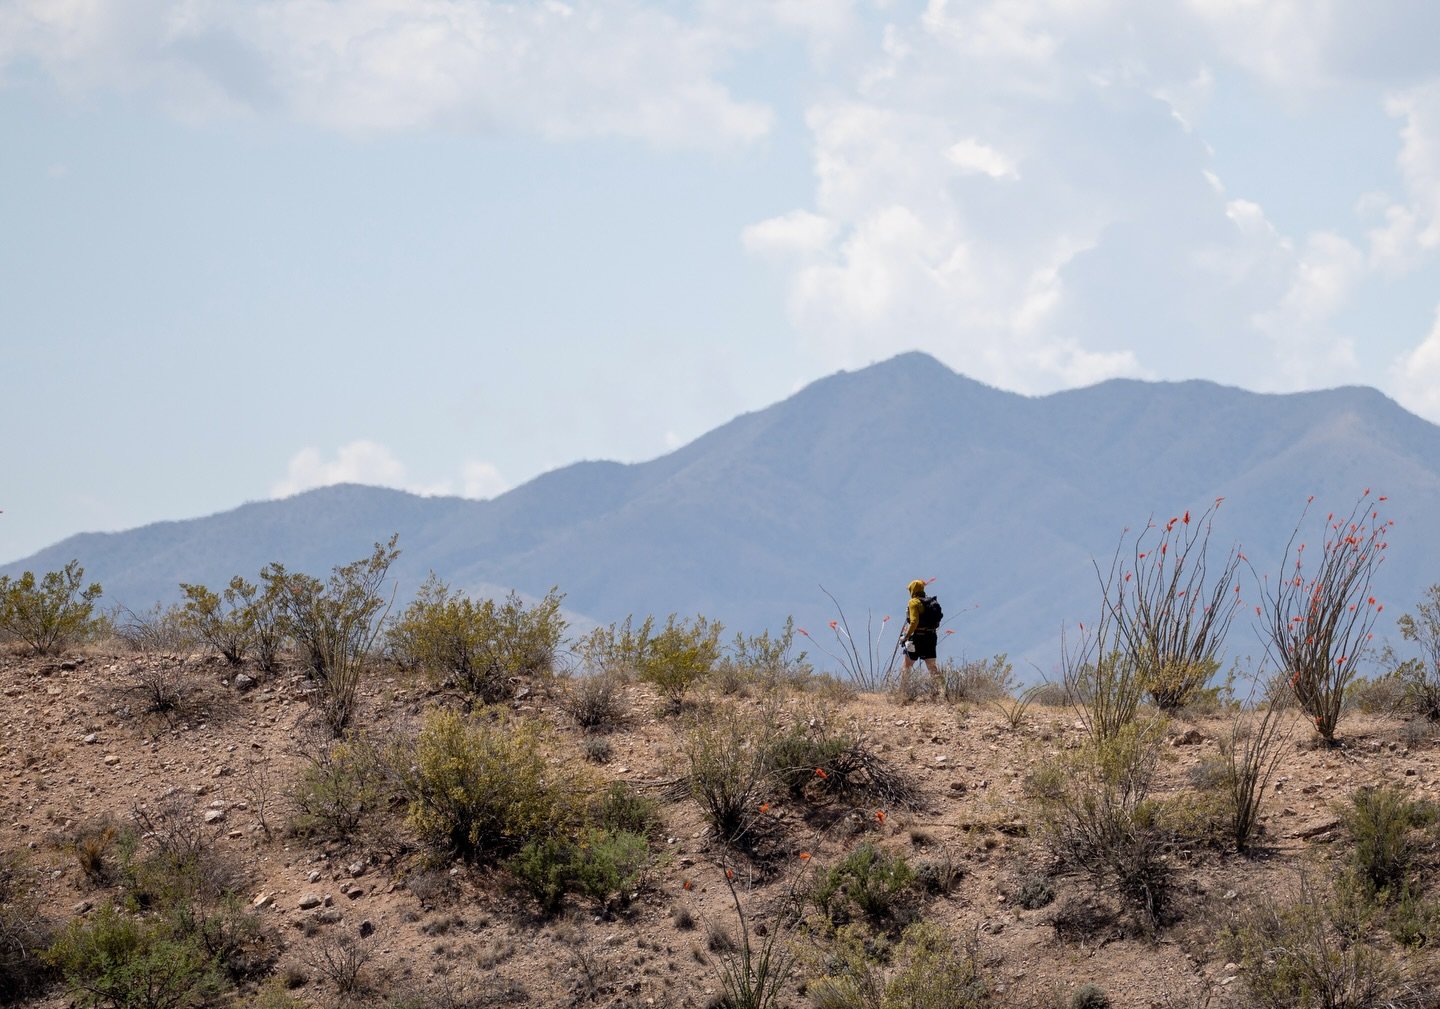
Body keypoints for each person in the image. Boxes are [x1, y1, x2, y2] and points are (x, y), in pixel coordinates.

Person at [900, 579, 943, 699]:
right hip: (931, 637)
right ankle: (941, 692)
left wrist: (906, 637)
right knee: (932, 667)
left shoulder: (913, 602)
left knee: (906, 666)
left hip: (917, 638)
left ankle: (902, 693)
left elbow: (914, 622)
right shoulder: (931, 602)